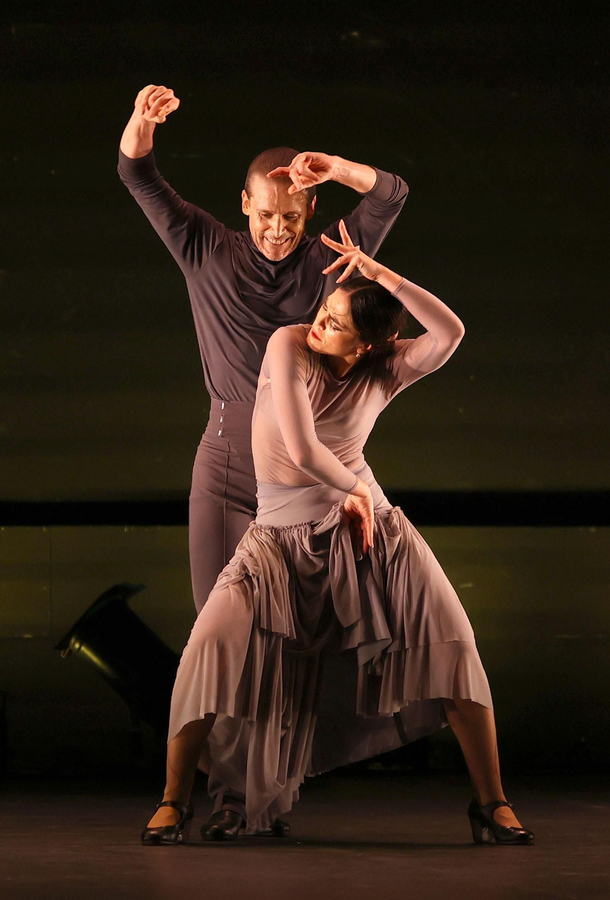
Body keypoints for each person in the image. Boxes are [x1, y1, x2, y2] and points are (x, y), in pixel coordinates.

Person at [140, 223, 533, 846]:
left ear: (371, 344)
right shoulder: (286, 344)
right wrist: (351, 489)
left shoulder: (386, 368)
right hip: (280, 534)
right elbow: (299, 447)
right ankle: (172, 799)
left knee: (451, 642)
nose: (319, 322)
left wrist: (382, 275)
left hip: (369, 532)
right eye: (324, 310)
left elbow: (452, 333)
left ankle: (493, 802)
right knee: (210, 644)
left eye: (337, 321)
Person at [119, 85, 410, 838]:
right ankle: (180, 795)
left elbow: (391, 194)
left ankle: (244, 802)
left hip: (302, 478)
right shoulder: (203, 246)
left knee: (283, 644)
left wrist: (338, 166)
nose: (278, 231)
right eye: (265, 214)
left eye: (290, 217)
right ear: (242, 205)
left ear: (308, 213)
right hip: (224, 466)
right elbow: (139, 177)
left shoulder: (333, 262)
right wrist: (143, 127)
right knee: (219, 637)